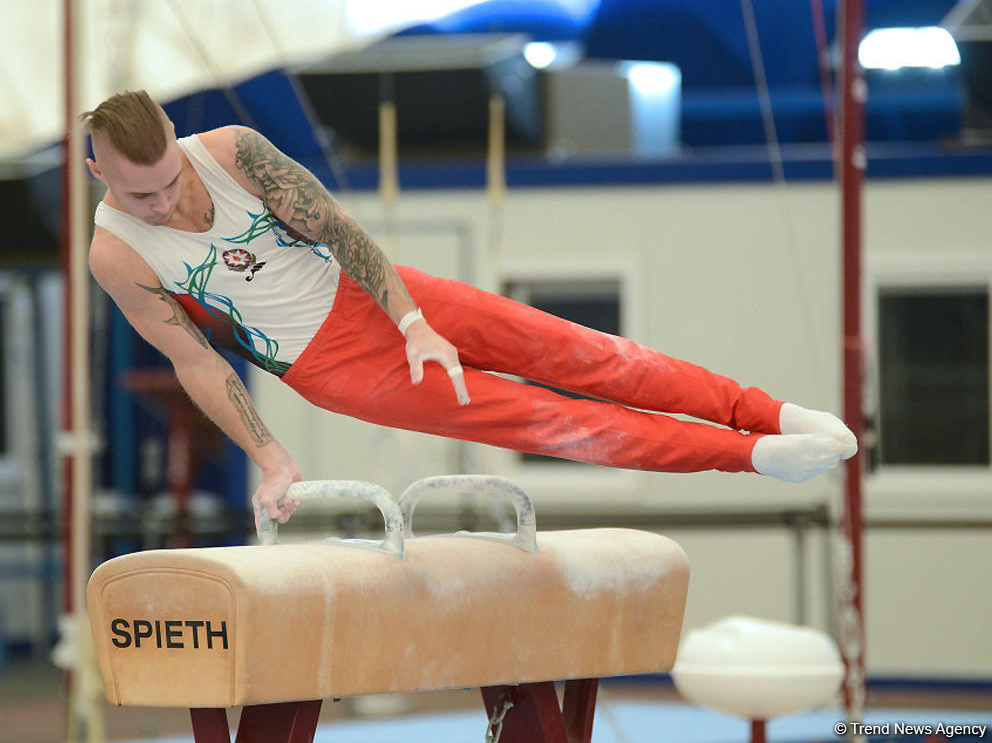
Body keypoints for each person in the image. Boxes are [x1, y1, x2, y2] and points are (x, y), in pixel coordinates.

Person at [81, 90, 857, 532]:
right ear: (97, 172)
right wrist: (272, 458)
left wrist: (413, 322)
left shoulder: (231, 153)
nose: (164, 201)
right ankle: (749, 455)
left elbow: (340, 231)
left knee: (586, 354)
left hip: (379, 295)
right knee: (550, 421)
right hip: (332, 367)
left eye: (170, 177)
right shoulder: (117, 253)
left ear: (177, 140)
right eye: (141, 193)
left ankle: (767, 412)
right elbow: (196, 360)